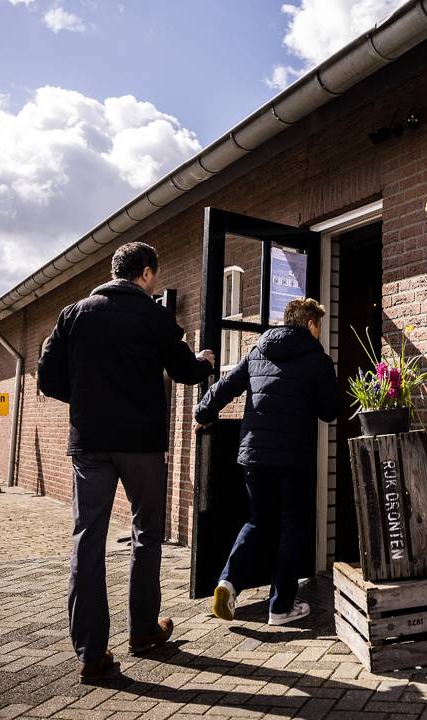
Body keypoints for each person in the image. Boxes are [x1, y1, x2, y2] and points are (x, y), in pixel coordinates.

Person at [37, 241, 215, 683]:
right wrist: (204, 361)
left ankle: (91, 654)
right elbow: (185, 371)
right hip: (141, 446)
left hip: (90, 445)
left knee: (87, 541)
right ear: (148, 273)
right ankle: (142, 632)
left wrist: (86, 403)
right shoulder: (154, 316)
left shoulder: (73, 314)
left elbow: (48, 377)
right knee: (145, 535)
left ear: (115, 271)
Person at [195, 297, 338, 627]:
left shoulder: (258, 350)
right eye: (319, 325)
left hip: (254, 456)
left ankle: (228, 583)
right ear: (310, 325)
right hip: (293, 458)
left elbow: (224, 387)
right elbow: (328, 412)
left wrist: (202, 413)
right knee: (290, 526)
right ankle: (280, 607)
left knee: (258, 520)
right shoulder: (317, 358)